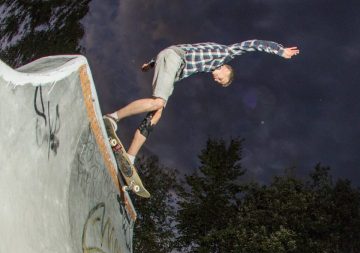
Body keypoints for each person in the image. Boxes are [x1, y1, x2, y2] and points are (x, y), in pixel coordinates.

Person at [103, 39, 300, 165]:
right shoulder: (226, 54)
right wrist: (279, 50)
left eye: (219, 82)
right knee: (158, 103)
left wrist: (151, 63)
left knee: (157, 112)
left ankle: (130, 157)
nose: (216, 80)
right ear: (226, 70)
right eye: (221, 80)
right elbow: (252, 44)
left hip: (172, 62)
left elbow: (182, 49)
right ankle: (112, 118)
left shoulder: (208, 64)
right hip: (174, 58)